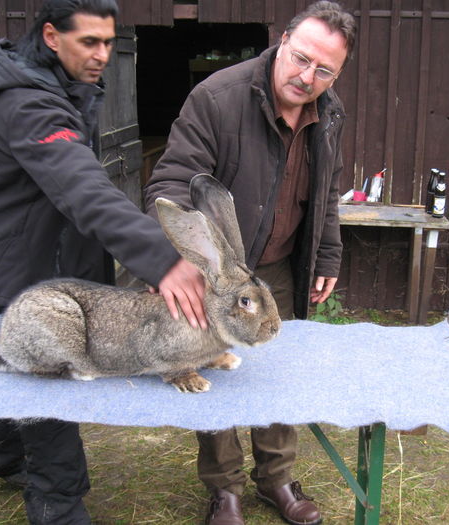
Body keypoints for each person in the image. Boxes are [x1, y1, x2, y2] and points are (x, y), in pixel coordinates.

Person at [0, 0, 207, 522]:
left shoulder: (62, 89)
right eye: (89, 43)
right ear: (51, 36)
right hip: (18, 271)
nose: (102, 56)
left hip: (45, 261)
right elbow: (84, 190)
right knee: (51, 393)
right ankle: (58, 504)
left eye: (108, 44)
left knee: (22, 373)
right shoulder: (29, 105)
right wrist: (163, 262)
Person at [144, 2, 356, 524]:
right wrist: (180, 260)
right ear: (283, 41)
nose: (307, 77)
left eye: (324, 70)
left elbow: (326, 192)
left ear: (338, 73)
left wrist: (327, 252)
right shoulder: (217, 98)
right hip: (220, 277)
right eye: (301, 58)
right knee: (217, 371)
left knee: (277, 376)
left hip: (282, 268)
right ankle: (225, 490)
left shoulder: (330, 113)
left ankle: (277, 479)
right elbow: (171, 182)